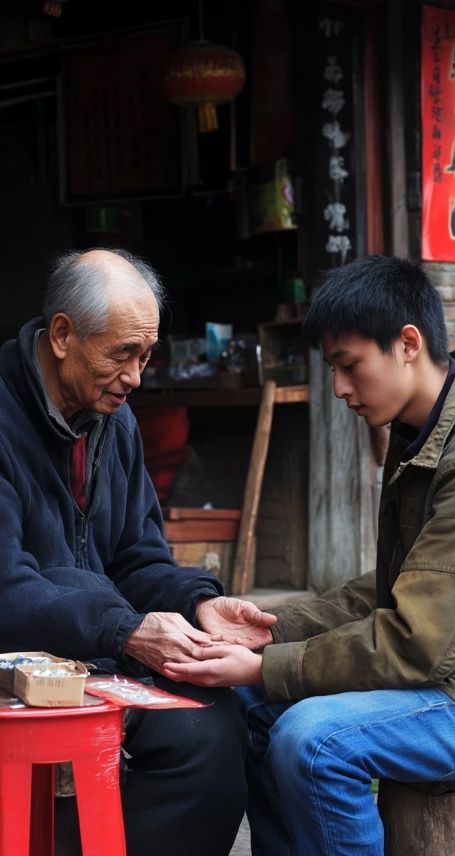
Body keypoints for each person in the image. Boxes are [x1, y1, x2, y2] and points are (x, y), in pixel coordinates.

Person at [163, 255, 455, 856]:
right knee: (250, 705)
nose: (338, 388)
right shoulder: (418, 431)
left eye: (349, 365)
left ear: (407, 344)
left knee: (314, 740)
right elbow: (392, 586)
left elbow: (419, 640)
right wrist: (268, 631)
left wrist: (266, 663)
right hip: (450, 672)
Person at [0, 247, 276, 856]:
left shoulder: (114, 422)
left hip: (92, 651)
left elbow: (137, 558)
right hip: (18, 659)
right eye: (122, 354)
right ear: (64, 335)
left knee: (217, 717)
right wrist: (125, 629)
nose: (136, 377)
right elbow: (7, 586)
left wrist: (200, 604)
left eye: (145, 355)